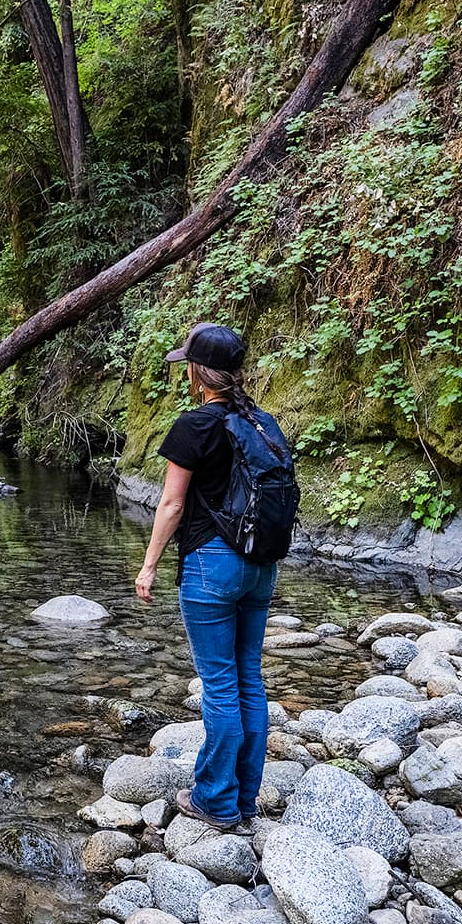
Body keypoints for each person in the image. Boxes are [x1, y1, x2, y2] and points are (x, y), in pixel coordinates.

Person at [133, 322, 291, 832]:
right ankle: (245, 800)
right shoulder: (264, 424)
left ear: (199, 375)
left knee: (220, 685)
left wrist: (150, 564)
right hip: (260, 565)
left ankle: (217, 802)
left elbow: (172, 503)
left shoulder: (195, 425)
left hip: (210, 566)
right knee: (249, 679)